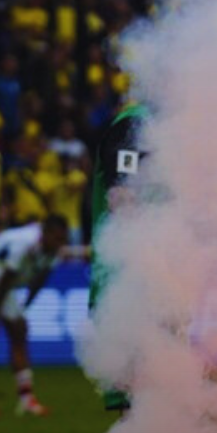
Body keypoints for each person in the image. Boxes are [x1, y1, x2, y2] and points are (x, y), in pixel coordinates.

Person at [0, 215, 69, 418]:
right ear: (45, 233)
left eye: (63, 239)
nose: (60, 244)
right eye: (57, 238)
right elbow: (6, 278)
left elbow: (40, 280)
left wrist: (25, 307)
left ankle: (26, 399)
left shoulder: (54, 250)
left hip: (2, 281)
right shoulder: (23, 244)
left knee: (19, 330)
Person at [87, 101, 149, 413]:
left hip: (159, 279)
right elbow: (122, 200)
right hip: (129, 282)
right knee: (141, 397)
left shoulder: (173, 129)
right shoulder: (134, 126)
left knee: (164, 396)